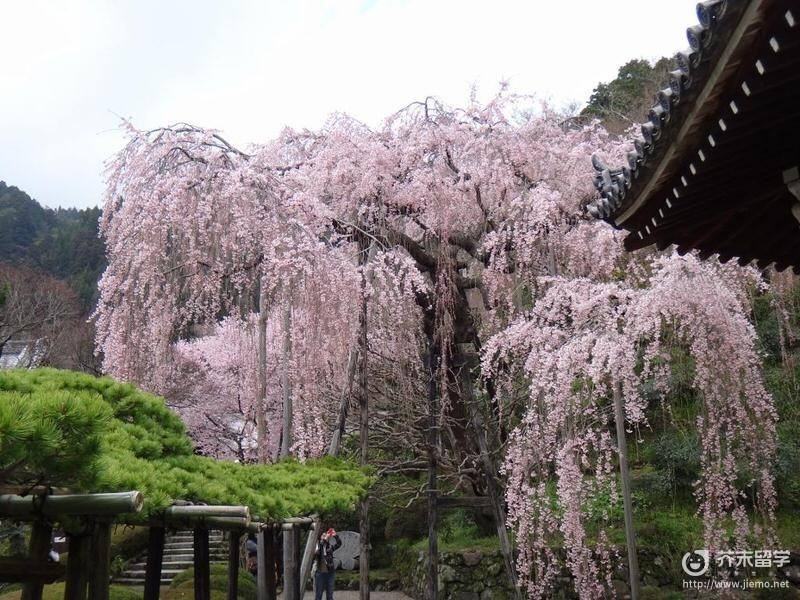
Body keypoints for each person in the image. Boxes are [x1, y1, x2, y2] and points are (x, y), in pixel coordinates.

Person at [313, 527, 341, 600]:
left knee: (330, 595)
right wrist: (325, 539)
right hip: (320, 573)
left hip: (330, 573)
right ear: (320, 538)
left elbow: (339, 544)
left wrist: (335, 535)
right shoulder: (318, 546)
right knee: (319, 594)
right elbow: (318, 552)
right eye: (323, 535)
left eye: (326, 535)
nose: (326, 536)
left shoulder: (330, 547)